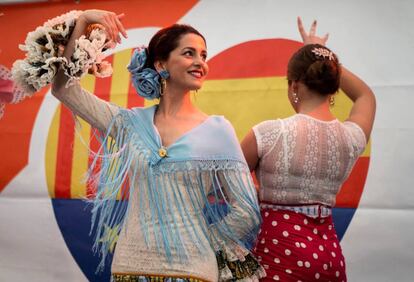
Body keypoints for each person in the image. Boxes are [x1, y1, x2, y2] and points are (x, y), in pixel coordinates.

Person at [50, 9, 264, 282]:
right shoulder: (130, 123)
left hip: (192, 272)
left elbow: (246, 210)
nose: (200, 62)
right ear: (161, 65)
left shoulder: (218, 131)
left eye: (203, 55)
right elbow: (63, 88)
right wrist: (84, 20)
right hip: (129, 267)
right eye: (189, 53)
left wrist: (199, 241)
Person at [241, 17, 376, 281]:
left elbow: (224, 185)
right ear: (333, 85)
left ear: (293, 85)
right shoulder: (350, 138)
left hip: (277, 256)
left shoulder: (269, 133)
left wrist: (256, 194)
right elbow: (365, 96)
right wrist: (324, 57)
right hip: (328, 260)